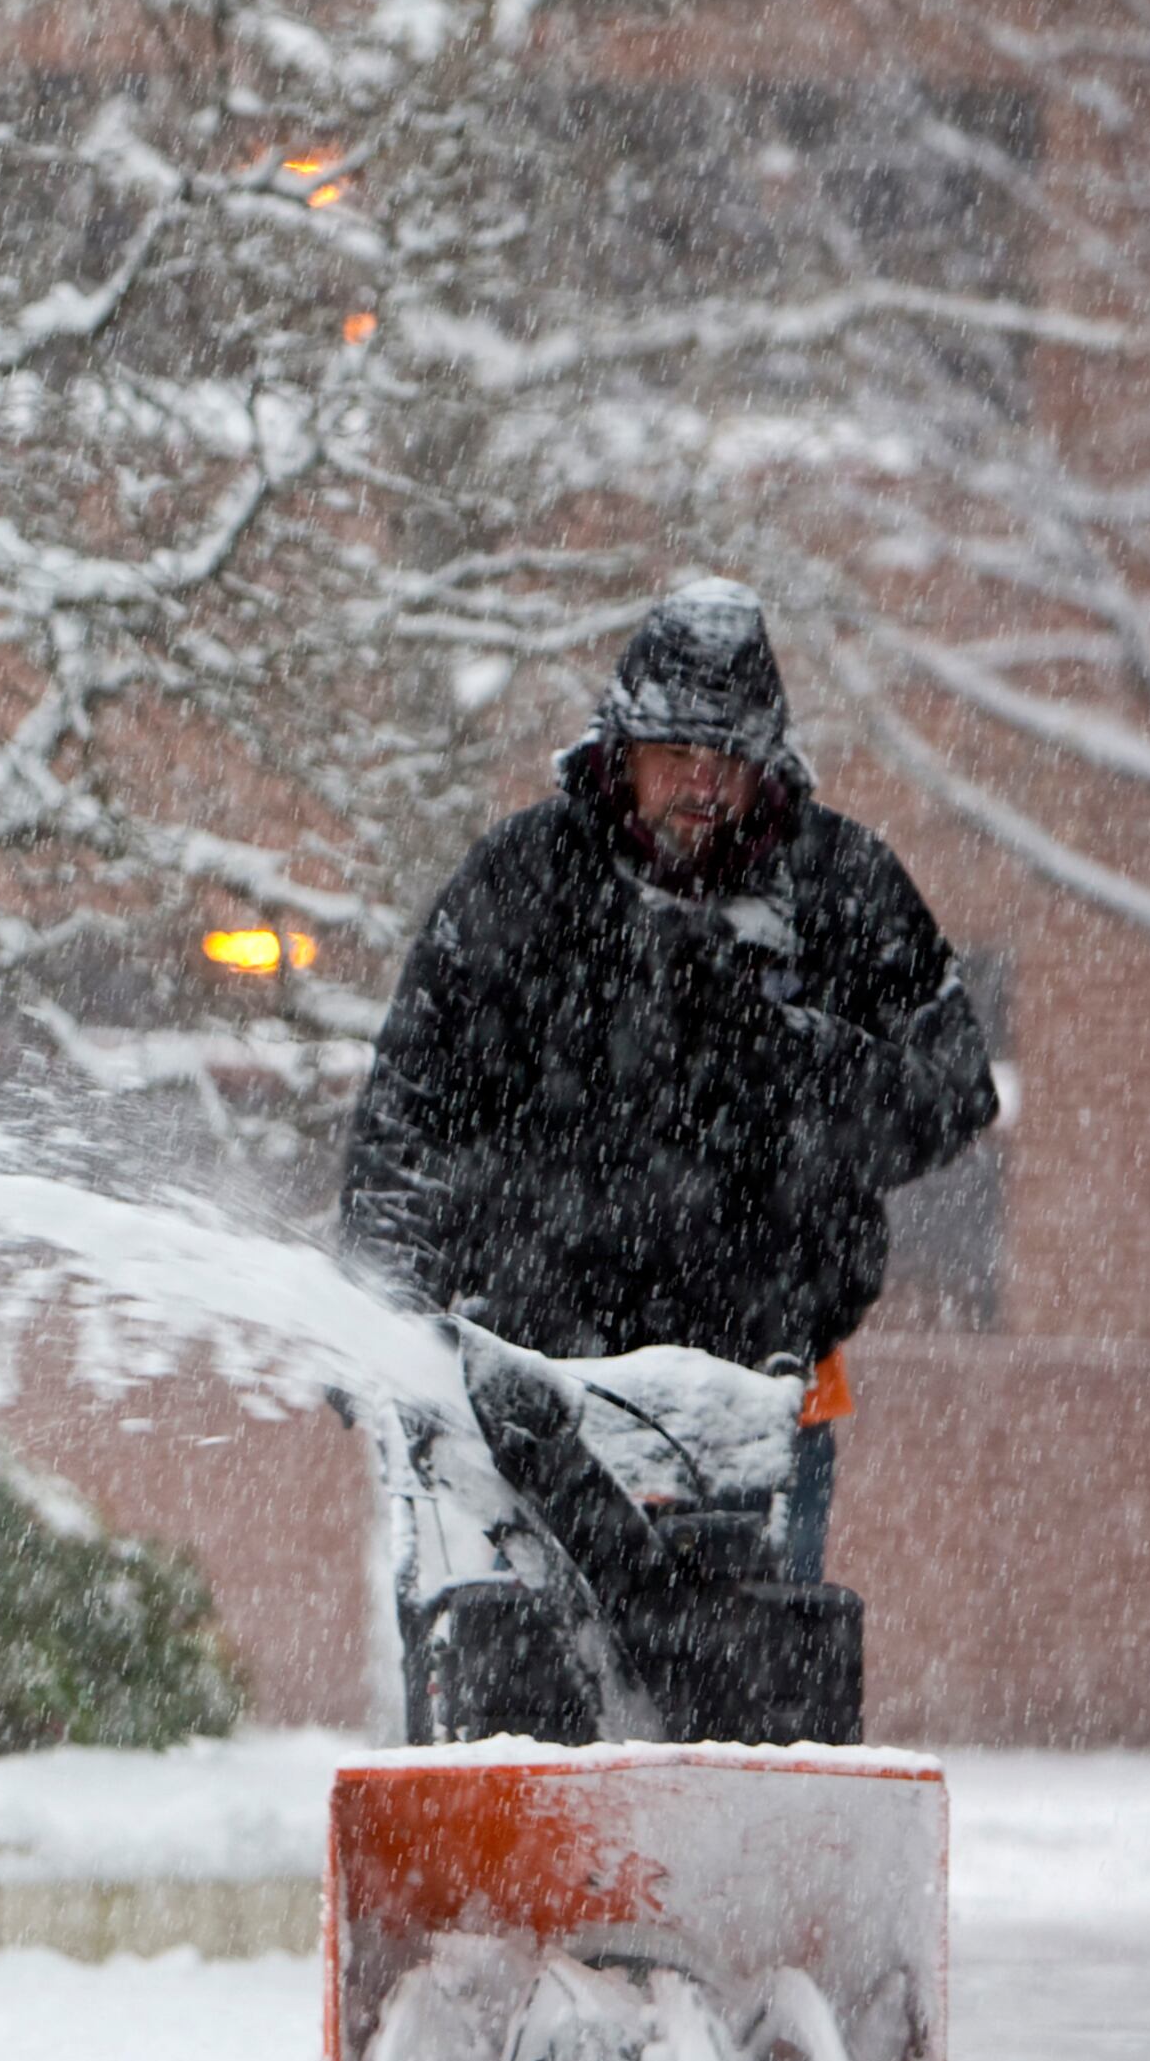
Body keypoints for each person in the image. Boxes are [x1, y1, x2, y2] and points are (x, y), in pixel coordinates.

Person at [340, 577, 997, 1585]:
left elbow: (955, 1090)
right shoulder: (524, 882)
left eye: (725, 756)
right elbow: (409, 1112)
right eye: (674, 752)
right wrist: (383, 1315)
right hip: (532, 1390)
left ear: (765, 761)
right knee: (519, 1693)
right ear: (620, 751)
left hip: (757, 1395)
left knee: (746, 1707)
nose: (701, 781)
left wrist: (783, 1054)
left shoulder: (841, 890)